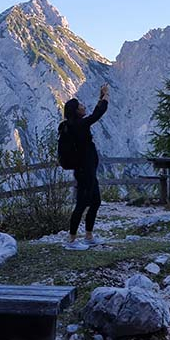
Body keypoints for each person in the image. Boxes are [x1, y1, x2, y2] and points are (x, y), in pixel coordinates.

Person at [62, 84, 109, 251]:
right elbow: (96, 115)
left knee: (95, 202)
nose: (83, 107)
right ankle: (72, 240)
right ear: (76, 111)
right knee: (81, 204)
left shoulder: (76, 125)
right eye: (80, 106)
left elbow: (91, 116)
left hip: (88, 170)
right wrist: (104, 98)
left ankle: (89, 236)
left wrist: (100, 98)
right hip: (84, 172)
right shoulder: (78, 126)